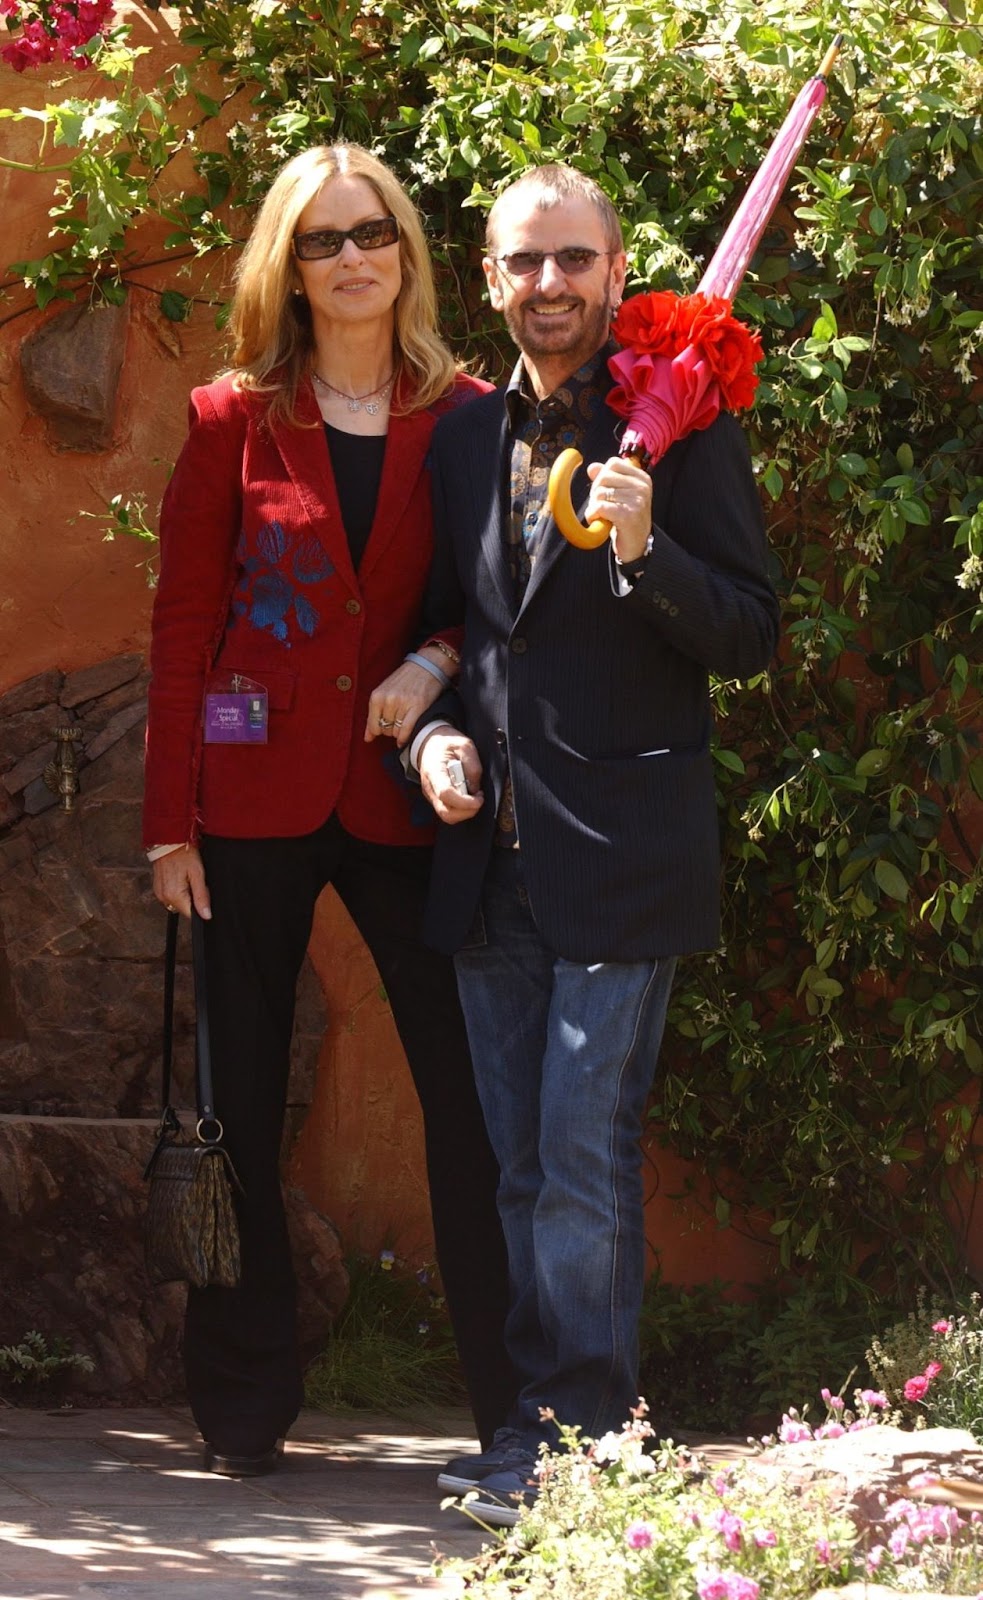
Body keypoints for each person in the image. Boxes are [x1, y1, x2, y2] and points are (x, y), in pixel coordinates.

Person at [407, 164, 780, 1525]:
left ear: (617, 272)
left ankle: (581, 1441)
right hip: (488, 858)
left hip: (624, 853)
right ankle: (532, 1430)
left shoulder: (682, 425)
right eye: (524, 262)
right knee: (518, 1164)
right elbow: (454, 635)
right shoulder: (458, 441)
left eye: (574, 259)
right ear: (490, 277)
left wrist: (646, 554)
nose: (549, 284)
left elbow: (747, 629)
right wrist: (428, 740)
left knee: (581, 1156)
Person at [142, 142, 514, 1477]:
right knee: (236, 1093)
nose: (351, 256)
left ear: (406, 252)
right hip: (246, 797)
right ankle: (241, 1412)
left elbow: (502, 599)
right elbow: (185, 623)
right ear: (287, 269)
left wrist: (434, 663)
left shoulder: (471, 416)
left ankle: (512, 1416)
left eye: (372, 233)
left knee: (470, 1099)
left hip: (409, 796)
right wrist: (166, 822)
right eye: (320, 239)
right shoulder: (230, 418)